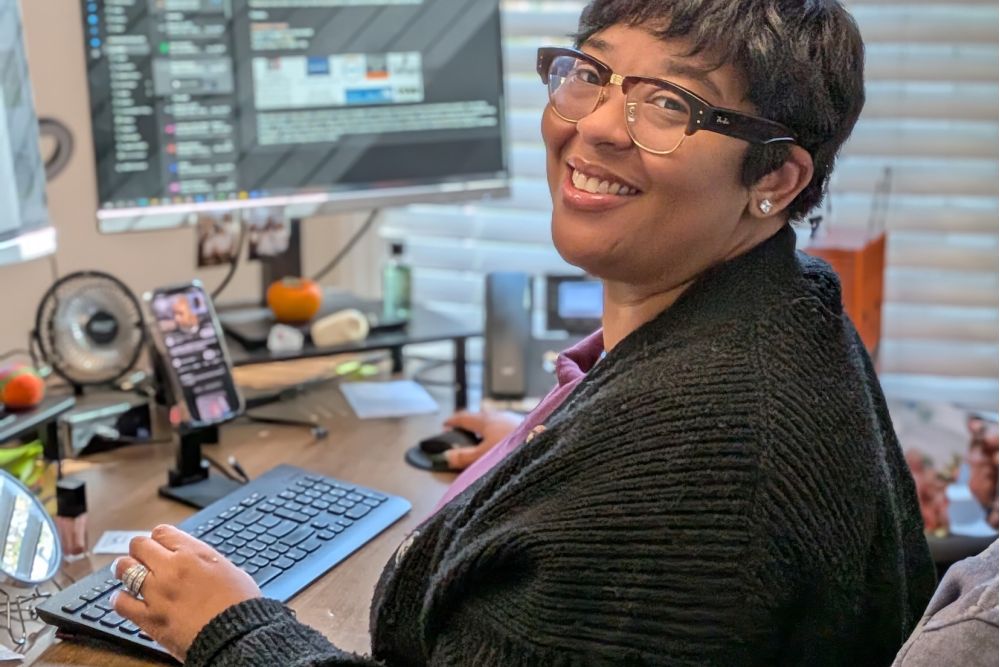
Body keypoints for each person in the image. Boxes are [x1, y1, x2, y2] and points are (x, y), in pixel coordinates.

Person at [109, 1, 937, 664]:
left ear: (777, 179)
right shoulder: (790, 303)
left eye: (667, 104)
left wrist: (234, 629)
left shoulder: (693, 455)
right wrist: (549, 447)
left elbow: (668, 496)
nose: (598, 125)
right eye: (593, 74)